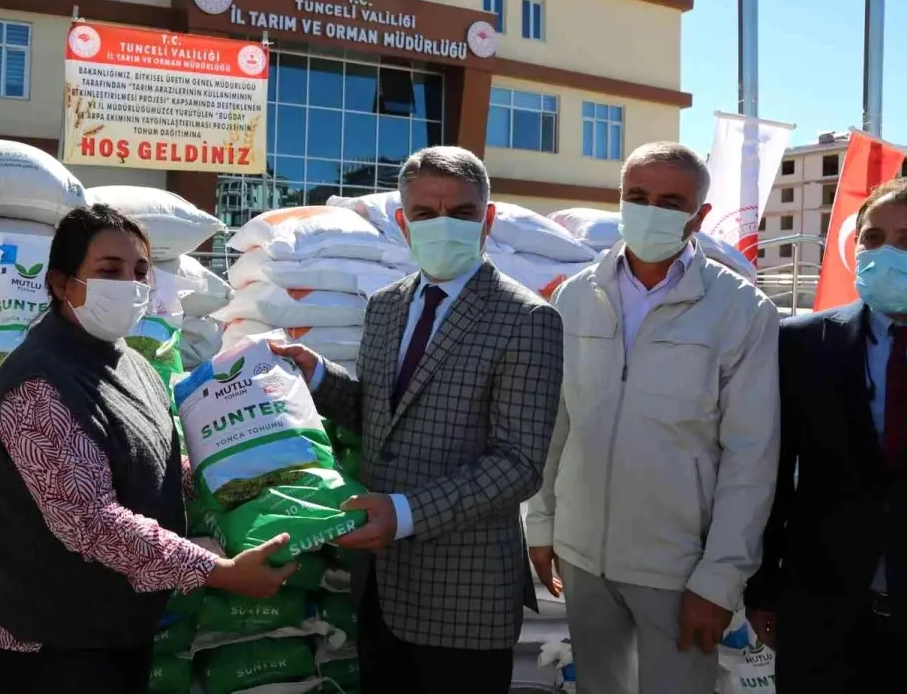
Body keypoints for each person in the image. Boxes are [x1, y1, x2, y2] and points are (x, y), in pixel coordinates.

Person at [273, 146, 564, 694]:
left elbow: (519, 464)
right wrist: (318, 377)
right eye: (426, 214)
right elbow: (383, 416)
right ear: (404, 221)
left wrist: (405, 512)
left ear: (488, 218)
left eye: (461, 212)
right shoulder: (385, 305)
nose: (443, 225)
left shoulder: (527, 318)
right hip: (383, 583)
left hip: (465, 592)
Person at [0, 205, 296, 694]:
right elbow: (90, 522)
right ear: (62, 283)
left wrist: (243, 481)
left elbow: (158, 460)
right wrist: (219, 572)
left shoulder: (132, 364)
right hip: (52, 645)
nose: (130, 284)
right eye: (109, 271)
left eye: (140, 271)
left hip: (115, 627)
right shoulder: (39, 385)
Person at [526, 141, 781, 694]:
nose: (650, 210)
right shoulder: (575, 297)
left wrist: (719, 581)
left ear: (700, 215)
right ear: (619, 200)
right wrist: (542, 525)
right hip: (582, 555)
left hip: (678, 568)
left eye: (670, 201)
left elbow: (752, 457)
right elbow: (554, 424)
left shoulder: (740, 311)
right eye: (637, 196)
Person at [745, 177, 907, 689]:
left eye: (906, 240)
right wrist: (763, 585)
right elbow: (772, 472)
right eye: (873, 238)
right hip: (822, 606)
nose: (886, 252)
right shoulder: (802, 342)